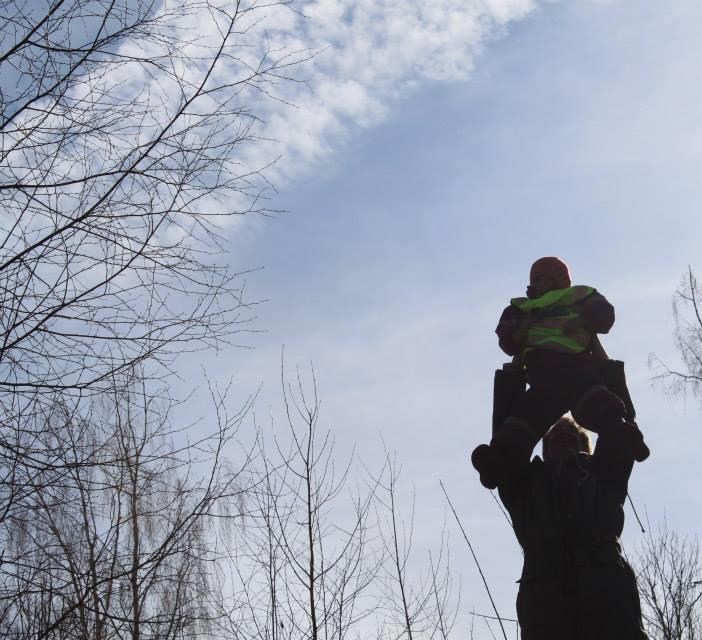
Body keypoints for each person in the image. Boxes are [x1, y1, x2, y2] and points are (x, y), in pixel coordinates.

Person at [472, 256, 648, 489]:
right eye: (537, 279)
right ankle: (500, 458)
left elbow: (604, 315)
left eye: (545, 278)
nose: (540, 283)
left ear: (559, 281)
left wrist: (582, 321)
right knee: (524, 419)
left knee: (596, 404)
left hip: (579, 369)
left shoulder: (579, 295)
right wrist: (521, 330)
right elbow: (507, 340)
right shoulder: (522, 306)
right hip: (543, 377)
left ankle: (621, 434)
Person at [498, 414, 648, 640]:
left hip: (607, 598)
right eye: (554, 435)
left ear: (585, 446)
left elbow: (618, 433)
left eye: (570, 434)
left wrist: (608, 400)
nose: (561, 437)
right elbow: (505, 450)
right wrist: (512, 382)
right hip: (546, 604)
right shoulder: (526, 485)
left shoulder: (602, 474)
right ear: (545, 450)